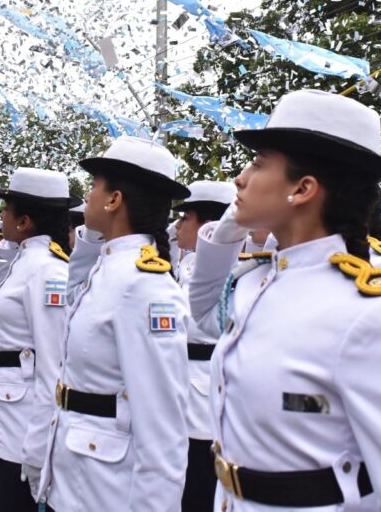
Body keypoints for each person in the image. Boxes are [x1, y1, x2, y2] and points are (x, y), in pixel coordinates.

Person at [188, 89, 381, 510]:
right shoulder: (257, 283)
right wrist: (232, 224)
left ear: (302, 189)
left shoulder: (369, 310)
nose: (240, 179)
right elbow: (205, 309)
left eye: (258, 164)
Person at [39, 137, 192, 511]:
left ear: (114, 200)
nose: (87, 197)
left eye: (94, 186)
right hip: (77, 471)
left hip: (106, 489)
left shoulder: (144, 285)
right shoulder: (108, 267)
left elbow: (163, 430)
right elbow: (73, 286)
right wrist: (91, 234)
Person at [0, 168, 75, 512]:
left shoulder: (48, 271)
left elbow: (52, 363)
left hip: (21, 425)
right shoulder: (21, 263)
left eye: (7, 209)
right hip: (0, 416)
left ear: (24, 221)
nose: (1, 216)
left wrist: (39, 445)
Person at [171, 180, 236, 512]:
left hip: (202, 391)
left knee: (199, 485)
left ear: (207, 225)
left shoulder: (230, 271)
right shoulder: (188, 265)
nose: (178, 226)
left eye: (185, 218)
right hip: (183, 384)